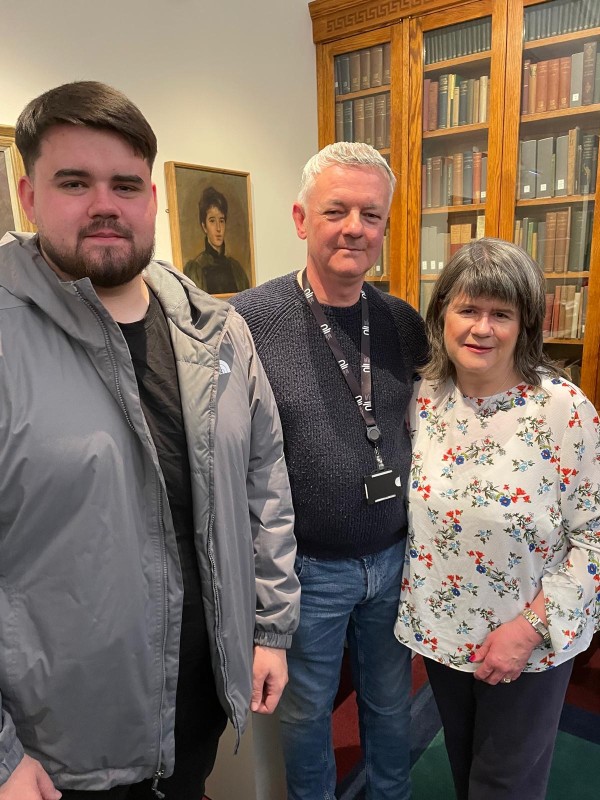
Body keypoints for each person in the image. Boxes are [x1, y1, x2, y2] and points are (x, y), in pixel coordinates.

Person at [0, 81, 299, 799]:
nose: (105, 203)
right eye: (74, 181)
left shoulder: (217, 330)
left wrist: (270, 629)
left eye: (126, 184)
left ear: (154, 202)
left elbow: (263, 487)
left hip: (193, 718)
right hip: (58, 750)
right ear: (29, 195)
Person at [233, 142, 428, 800]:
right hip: (306, 571)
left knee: (390, 704)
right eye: (336, 210)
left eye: (371, 215)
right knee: (307, 714)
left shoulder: (402, 321)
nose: (354, 227)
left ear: (384, 228)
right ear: (300, 219)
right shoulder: (250, 321)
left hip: (394, 558)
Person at [395, 238, 600, 800]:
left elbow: (596, 538)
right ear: (442, 316)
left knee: (504, 786)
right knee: (465, 772)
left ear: (525, 324)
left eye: (501, 314)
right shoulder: (424, 400)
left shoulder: (564, 410)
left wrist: (528, 628)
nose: (481, 328)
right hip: (443, 636)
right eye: (467, 309)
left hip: (529, 643)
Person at [183, 186, 249, 294]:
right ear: (204, 226)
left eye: (221, 221)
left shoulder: (236, 268)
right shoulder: (196, 269)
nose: (218, 228)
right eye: (212, 221)